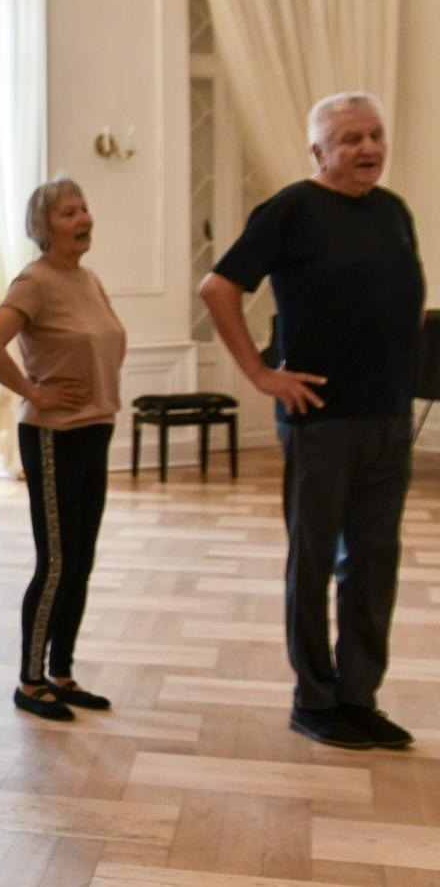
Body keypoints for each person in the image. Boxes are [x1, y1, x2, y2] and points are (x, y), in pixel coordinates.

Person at [198, 91, 421, 751]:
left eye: (375, 134)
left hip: (387, 417)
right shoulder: (293, 208)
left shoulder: (394, 212)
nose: (368, 148)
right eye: (350, 138)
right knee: (316, 561)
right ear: (318, 152)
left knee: (374, 565)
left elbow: (405, 298)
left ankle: (360, 698)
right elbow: (218, 288)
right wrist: (263, 376)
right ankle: (314, 699)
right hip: (320, 419)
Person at [0, 176, 125, 722]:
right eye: (68, 212)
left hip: (95, 428)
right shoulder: (34, 281)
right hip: (54, 436)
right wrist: (35, 391)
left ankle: (62, 672)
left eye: (84, 209)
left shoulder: (88, 279)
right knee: (58, 561)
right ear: (43, 226)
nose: (82, 218)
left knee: (80, 559)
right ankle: (30, 681)